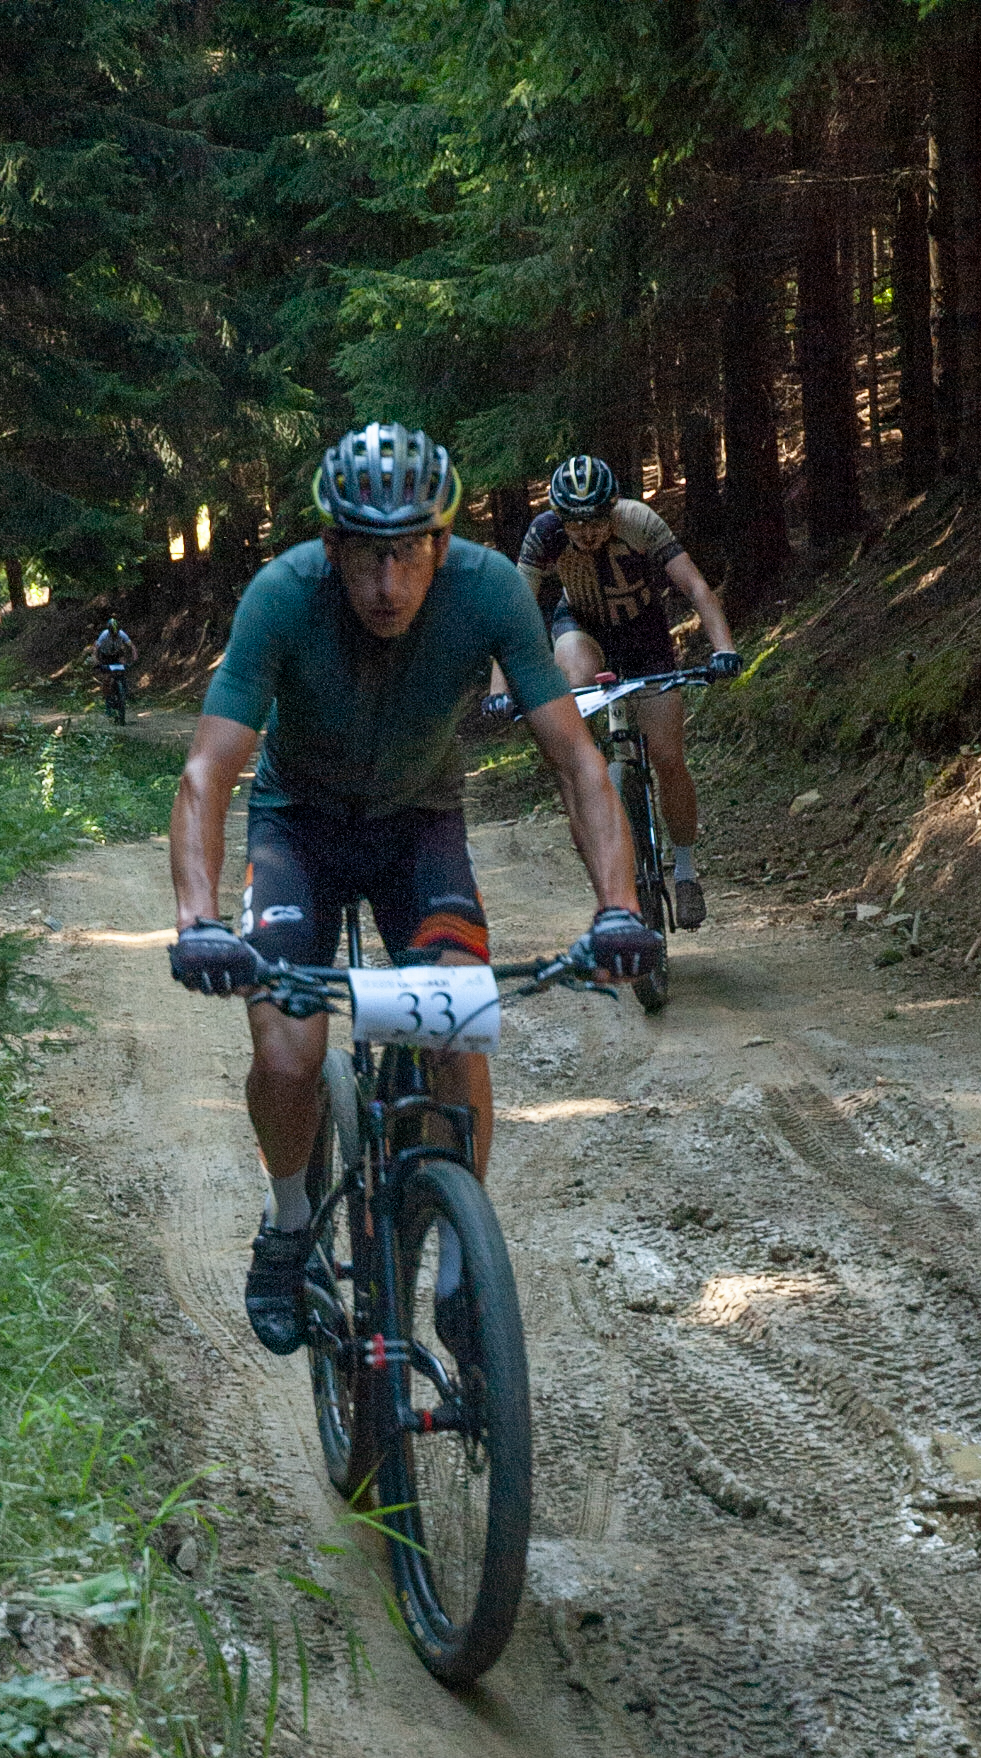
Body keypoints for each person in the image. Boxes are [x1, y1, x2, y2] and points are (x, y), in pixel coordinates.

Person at [165, 419, 662, 1356]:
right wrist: (197, 921)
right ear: (331, 546)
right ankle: (287, 1223)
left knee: (455, 1029)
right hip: (298, 830)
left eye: (409, 554)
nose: (387, 585)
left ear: (442, 542)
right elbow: (206, 774)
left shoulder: (489, 591)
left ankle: (464, 1258)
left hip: (417, 830)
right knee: (288, 1056)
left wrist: (619, 908)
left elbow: (576, 763)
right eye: (366, 555)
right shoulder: (282, 595)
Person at [510, 454, 740, 930]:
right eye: (574, 522)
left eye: (595, 519)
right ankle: (593, 768)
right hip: (582, 626)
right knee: (574, 673)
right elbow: (511, 614)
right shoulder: (545, 533)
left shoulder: (639, 521)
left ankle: (685, 871)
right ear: (558, 517)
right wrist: (500, 689)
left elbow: (696, 587)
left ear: (612, 509)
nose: (585, 532)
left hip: (643, 634)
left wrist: (724, 649)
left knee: (668, 758)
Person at [92, 612, 137, 702]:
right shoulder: (104, 634)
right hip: (105, 655)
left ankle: (126, 689)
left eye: (116, 634)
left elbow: (132, 645)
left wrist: (135, 656)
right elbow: (96, 648)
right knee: (107, 677)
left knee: (123, 666)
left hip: (117, 653)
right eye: (112, 634)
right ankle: (107, 698)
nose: (114, 636)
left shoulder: (122, 634)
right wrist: (95, 659)